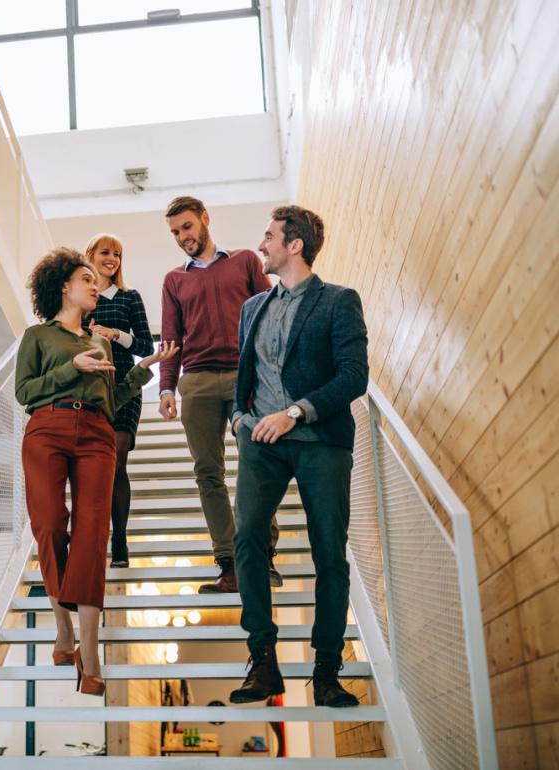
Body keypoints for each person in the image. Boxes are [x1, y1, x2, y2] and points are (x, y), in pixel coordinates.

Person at [16, 247, 176, 696]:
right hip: (47, 427)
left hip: (97, 433)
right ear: (63, 286)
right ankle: (62, 628)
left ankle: (90, 651)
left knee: (93, 534)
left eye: (94, 280)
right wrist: (71, 367)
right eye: (85, 278)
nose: (94, 285)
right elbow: (23, 391)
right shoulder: (38, 337)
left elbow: (111, 399)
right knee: (49, 525)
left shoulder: (101, 341)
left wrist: (141, 372)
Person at [228, 205, 368, 708]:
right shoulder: (252, 308)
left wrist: (296, 412)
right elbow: (240, 377)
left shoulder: (338, 301)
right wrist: (239, 421)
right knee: (246, 539)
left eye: (269, 236)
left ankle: (327, 671)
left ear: (294, 246)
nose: (260, 244)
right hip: (260, 444)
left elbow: (354, 376)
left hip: (320, 441)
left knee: (328, 551)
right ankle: (263, 661)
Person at [159, 197, 280, 592]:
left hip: (247, 377)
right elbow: (171, 338)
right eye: (176, 232)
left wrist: (274, 372)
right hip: (196, 381)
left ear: (205, 220)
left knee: (257, 464)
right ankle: (228, 564)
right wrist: (165, 386)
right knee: (207, 472)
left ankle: (261, 557)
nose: (182, 238)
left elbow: (271, 316)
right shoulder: (174, 280)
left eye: (187, 227)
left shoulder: (244, 260)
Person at [83, 233, 155, 568]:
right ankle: (97, 535)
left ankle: (121, 538)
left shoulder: (130, 297)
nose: (111, 259)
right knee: (94, 468)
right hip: (89, 388)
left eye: (117, 254)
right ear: (91, 256)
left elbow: (145, 346)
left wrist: (117, 335)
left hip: (126, 384)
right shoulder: (83, 297)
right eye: (105, 252)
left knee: (117, 461)